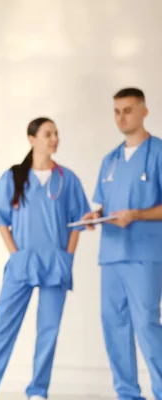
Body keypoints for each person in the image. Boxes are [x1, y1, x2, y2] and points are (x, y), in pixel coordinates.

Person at [0, 117, 91, 400]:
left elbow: (78, 222)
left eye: (56, 133)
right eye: (48, 134)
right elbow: (1, 222)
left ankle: (38, 391)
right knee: (2, 327)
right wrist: (16, 255)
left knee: (49, 330)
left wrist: (67, 257)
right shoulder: (13, 176)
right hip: (22, 262)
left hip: (56, 262)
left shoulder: (67, 179)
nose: (54, 139)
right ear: (31, 139)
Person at [81, 88, 162, 400]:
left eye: (128, 110)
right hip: (111, 255)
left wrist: (138, 214)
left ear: (144, 111)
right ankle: (128, 394)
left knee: (147, 326)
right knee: (114, 327)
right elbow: (104, 205)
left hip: (145, 255)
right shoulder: (110, 160)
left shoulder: (157, 153)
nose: (121, 117)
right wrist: (94, 216)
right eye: (116, 111)